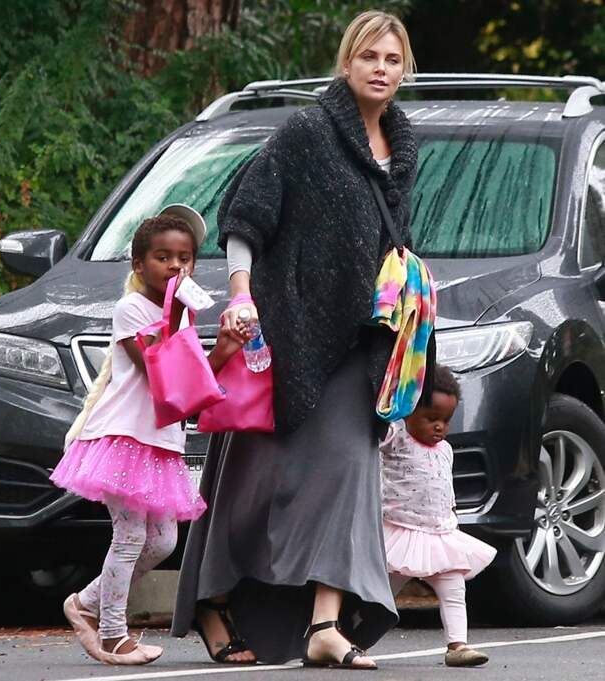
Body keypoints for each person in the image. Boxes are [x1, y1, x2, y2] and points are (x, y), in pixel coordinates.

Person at [172, 10, 424, 669]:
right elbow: (246, 217)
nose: (380, 69)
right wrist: (241, 294)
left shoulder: (404, 147)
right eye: (369, 56)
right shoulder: (307, 132)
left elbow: (388, 242)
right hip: (283, 332)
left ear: (404, 70)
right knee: (254, 482)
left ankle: (324, 624)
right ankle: (213, 599)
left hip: (364, 339)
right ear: (347, 62)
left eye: (391, 60)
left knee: (348, 470)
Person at [51, 207, 246, 666]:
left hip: (158, 443)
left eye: (184, 258)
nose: (175, 266)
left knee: (162, 541)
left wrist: (222, 352)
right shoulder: (132, 309)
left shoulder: (181, 317)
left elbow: (186, 392)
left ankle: (85, 603)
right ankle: (113, 634)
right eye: (163, 257)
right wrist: (176, 312)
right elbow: (158, 371)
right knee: (130, 535)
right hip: (123, 438)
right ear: (139, 265)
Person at [381, 364, 496, 667]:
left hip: (440, 533)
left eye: (446, 420)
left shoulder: (445, 449)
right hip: (401, 530)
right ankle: (353, 638)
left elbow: (446, 487)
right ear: (409, 412)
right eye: (431, 418)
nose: (439, 427)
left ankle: (458, 645)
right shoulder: (396, 437)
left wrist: (452, 516)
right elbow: (377, 430)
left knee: (454, 587)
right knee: (382, 592)